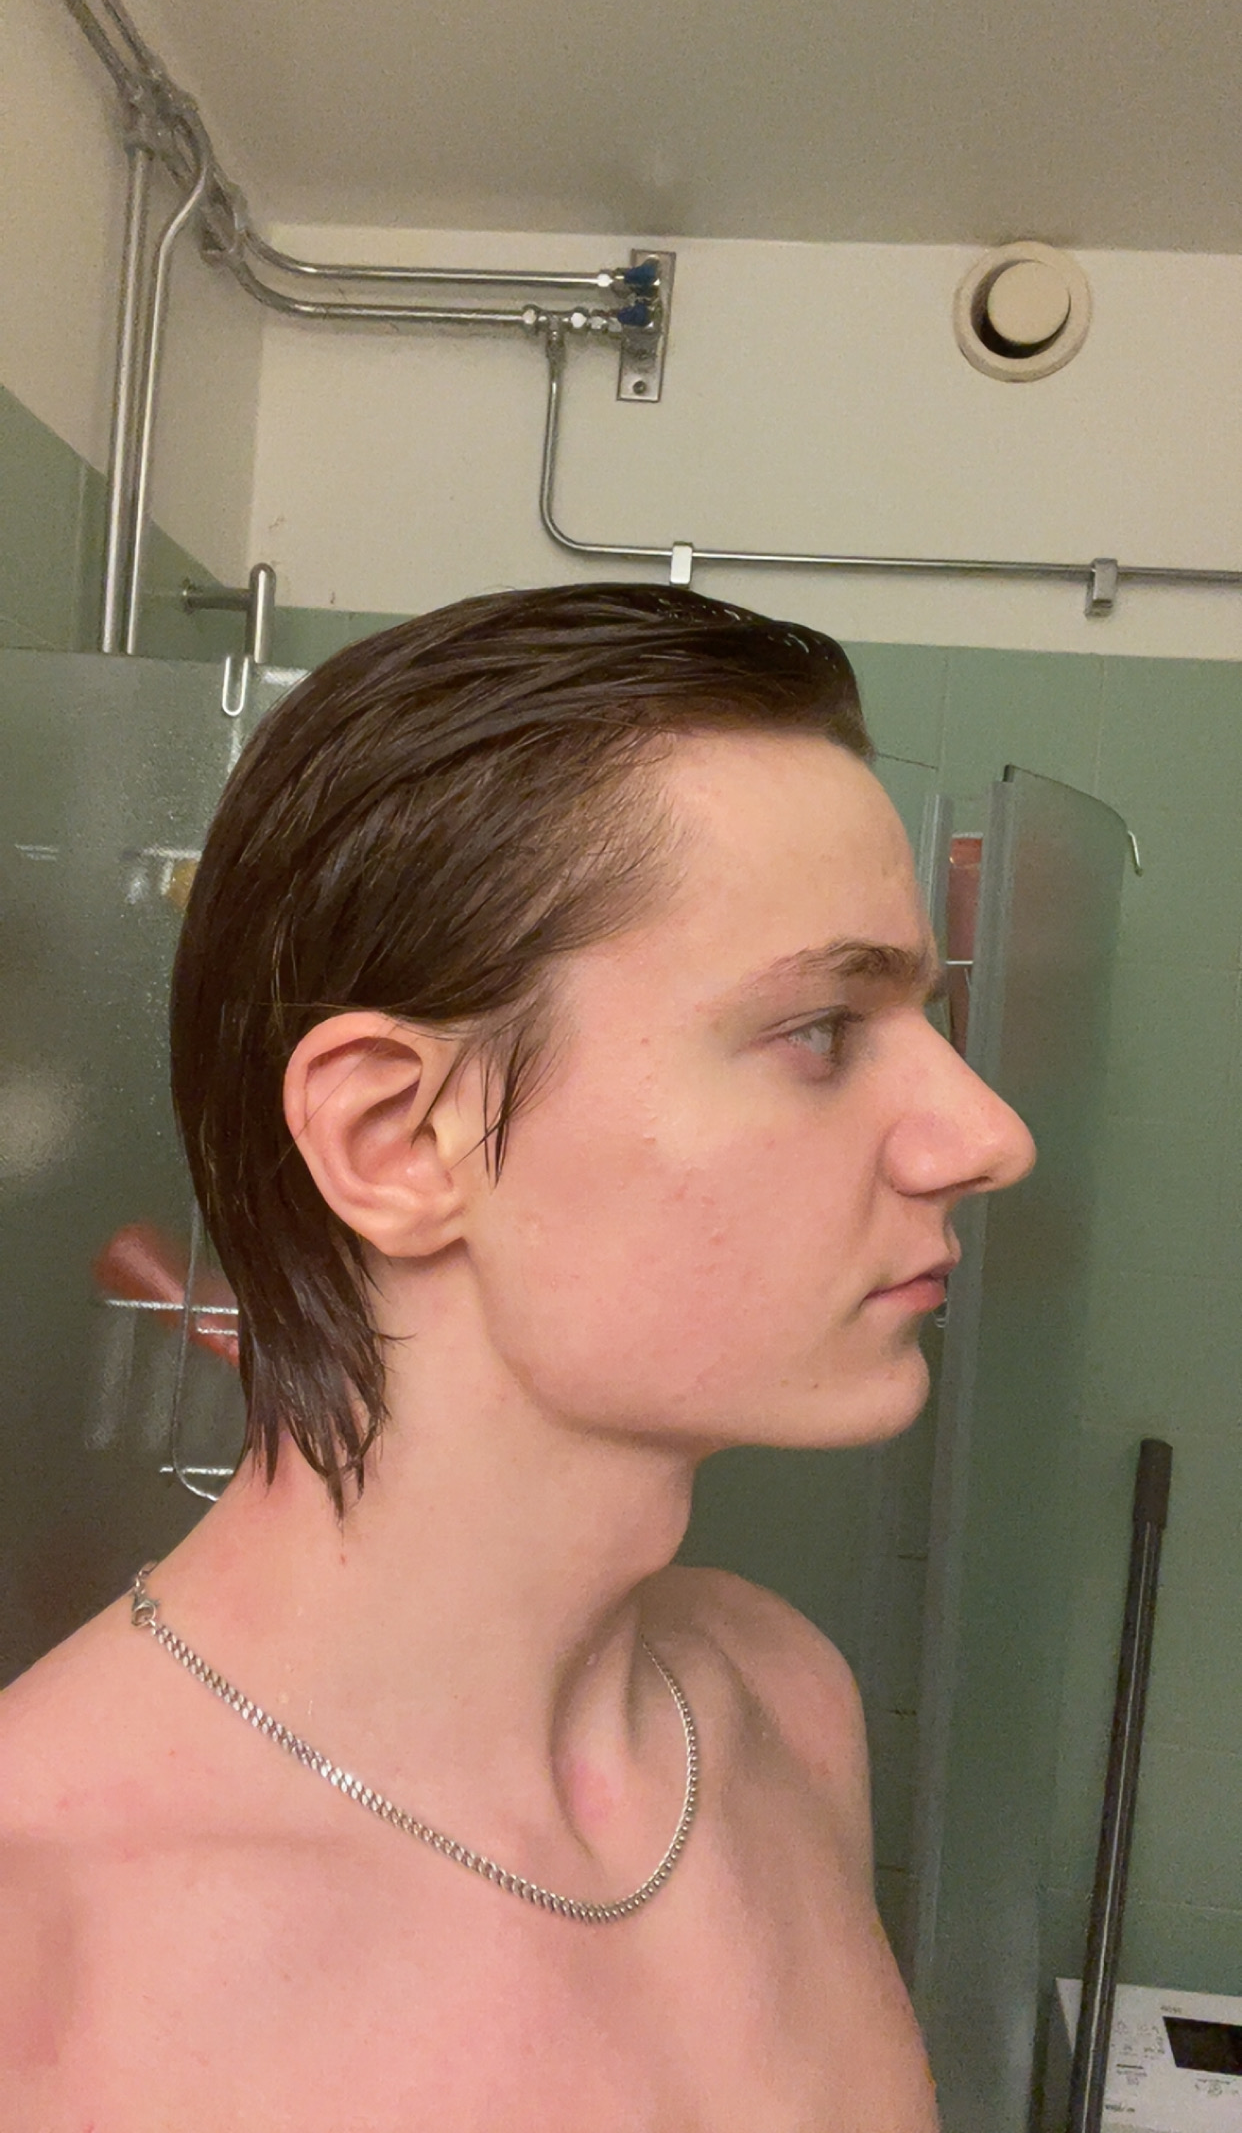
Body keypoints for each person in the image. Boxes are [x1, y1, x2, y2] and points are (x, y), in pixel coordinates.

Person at [0, 582, 1033, 2130]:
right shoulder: (45, 1942)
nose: (986, 1135)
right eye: (822, 1027)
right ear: (399, 1138)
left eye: (926, 1022)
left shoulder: (779, 1712)